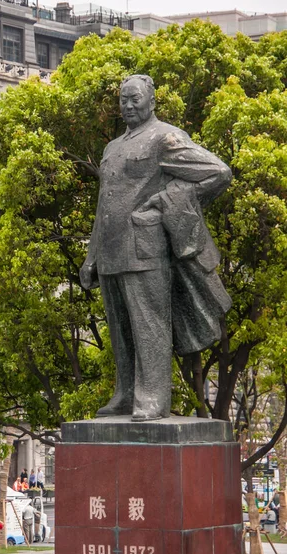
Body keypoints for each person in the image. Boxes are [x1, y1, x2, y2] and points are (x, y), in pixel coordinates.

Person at [80, 74, 232, 421]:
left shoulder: (165, 137)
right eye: (123, 99)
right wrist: (91, 257)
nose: (128, 105)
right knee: (121, 331)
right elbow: (104, 203)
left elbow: (218, 172)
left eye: (135, 99)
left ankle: (153, 398)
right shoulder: (112, 148)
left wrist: (164, 201)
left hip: (146, 248)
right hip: (111, 251)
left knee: (150, 325)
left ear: (151, 101)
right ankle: (126, 393)